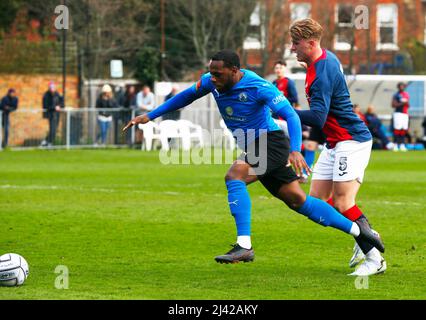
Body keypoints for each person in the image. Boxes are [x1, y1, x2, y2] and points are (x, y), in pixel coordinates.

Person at [123, 50, 384, 268]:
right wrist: (151, 115)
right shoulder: (211, 81)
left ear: (235, 70)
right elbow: (186, 96)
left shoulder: (258, 86)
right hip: (254, 144)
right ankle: (362, 233)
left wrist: (295, 149)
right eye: (211, 73)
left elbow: (291, 116)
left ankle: (244, 246)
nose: (212, 79)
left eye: (218, 74)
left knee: (234, 176)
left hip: (270, 142)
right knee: (298, 201)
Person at [290, 19, 386, 276]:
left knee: (344, 202)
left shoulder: (321, 72)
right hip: (335, 143)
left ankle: (374, 259)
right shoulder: (323, 59)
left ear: (311, 43)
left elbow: (318, 118)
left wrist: (285, 112)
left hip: (351, 140)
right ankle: (364, 234)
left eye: (296, 44)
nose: (292, 49)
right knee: (318, 201)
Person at [42, 82, 63, 147]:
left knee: (55, 129)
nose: (52, 89)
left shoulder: (57, 94)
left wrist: (59, 106)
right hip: (50, 114)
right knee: (52, 129)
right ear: (49, 88)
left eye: (53, 87)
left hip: (57, 114)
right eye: (51, 88)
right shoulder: (46, 95)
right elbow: (46, 105)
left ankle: (46, 142)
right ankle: (49, 142)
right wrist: (54, 108)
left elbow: (61, 102)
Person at [391, 82, 410, 152]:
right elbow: (393, 105)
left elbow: (408, 105)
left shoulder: (406, 94)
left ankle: (402, 144)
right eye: (400, 86)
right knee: (397, 129)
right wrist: (402, 103)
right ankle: (395, 144)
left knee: (404, 129)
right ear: (398, 87)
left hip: (405, 114)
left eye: (403, 86)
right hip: (398, 113)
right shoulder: (396, 95)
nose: (402, 87)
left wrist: (406, 103)